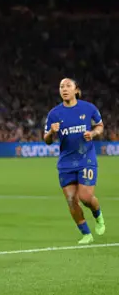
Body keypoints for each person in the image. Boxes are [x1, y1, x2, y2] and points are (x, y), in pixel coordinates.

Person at [44, 78, 106, 244]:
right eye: (61, 86)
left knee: (85, 197)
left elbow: (100, 126)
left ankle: (98, 215)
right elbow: (47, 140)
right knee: (71, 199)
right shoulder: (54, 114)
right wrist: (51, 132)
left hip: (86, 158)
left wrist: (93, 134)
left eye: (68, 86)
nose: (64, 89)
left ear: (76, 90)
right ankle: (86, 234)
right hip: (66, 162)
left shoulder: (88, 108)